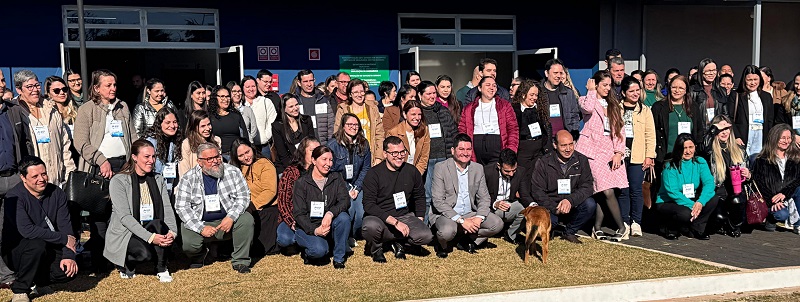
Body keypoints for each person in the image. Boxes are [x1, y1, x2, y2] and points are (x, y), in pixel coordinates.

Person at [73, 69, 137, 273]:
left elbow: (132, 135)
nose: (113, 88)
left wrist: (135, 158)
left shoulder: (123, 106)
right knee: (100, 216)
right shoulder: (86, 109)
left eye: (114, 85)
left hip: (124, 166)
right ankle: (101, 263)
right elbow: (80, 142)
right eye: (108, 85)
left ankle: (121, 260)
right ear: (96, 88)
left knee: (122, 214)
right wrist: (101, 160)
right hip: (99, 167)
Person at [4, 156, 77, 302]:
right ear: (23, 178)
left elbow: (65, 226)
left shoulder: (57, 193)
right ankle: (20, 290)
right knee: (37, 245)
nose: (41, 179)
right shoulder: (14, 196)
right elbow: (27, 230)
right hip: (18, 249)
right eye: (35, 176)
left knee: (66, 272)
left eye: (43, 174)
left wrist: (69, 255)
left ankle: (41, 281)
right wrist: (64, 239)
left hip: (49, 243)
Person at [175, 142, 254, 273]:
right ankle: (199, 256)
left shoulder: (233, 172)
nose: (215, 161)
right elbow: (182, 207)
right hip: (201, 222)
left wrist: (230, 217)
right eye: (209, 159)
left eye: (217, 157)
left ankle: (240, 261)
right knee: (188, 242)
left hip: (226, 220)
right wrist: (201, 228)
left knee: (246, 220)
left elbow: (243, 197)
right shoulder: (188, 178)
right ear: (200, 162)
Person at [105, 140, 177, 282]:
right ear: (134, 157)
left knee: (159, 225)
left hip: (151, 225)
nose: (151, 160)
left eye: (153, 156)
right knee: (145, 254)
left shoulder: (158, 179)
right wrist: (151, 238)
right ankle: (127, 264)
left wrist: (172, 232)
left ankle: (161, 267)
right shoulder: (119, 181)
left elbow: (167, 207)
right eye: (147, 157)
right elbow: (125, 217)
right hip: (127, 232)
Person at [429, 134, 503, 258]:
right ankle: (442, 244)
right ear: (453, 151)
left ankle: (465, 238)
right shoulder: (440, 168)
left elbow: (484, 197)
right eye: (461, 149)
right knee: (447, 232)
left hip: (470, 213)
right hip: (448, 214)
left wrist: (479, 218)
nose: (465, 153)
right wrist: (461, 221)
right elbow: (438, 201)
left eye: (468, 149)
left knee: (497, 224)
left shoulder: (478, 168)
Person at [576, 71, 629, 241]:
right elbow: (588, 109)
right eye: (604, 85)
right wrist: (591, 91)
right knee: (605, 190)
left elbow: (621, 130)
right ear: (596, 84)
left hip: (610, 151)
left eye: (609, 85)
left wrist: (619, 152)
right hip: (593, 152)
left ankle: (597, 227)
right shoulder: (585, 99)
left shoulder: (613, 104)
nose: (607, 88)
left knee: (603, 190)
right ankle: (621, 226)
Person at [361, 136, 432, 262]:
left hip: (404, 215)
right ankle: (377, 249)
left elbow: (420, 196)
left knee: (426, 236)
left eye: (402, 152)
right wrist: (395, 222)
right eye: (394, 153)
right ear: (385, 154)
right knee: (370, 227)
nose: (399, 156)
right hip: (380, 217)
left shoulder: (411, 171)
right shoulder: (374, 174)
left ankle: (398, 242)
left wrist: (419, 219)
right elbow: (369, 205)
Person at [530, 130, 597, 244]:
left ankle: (569, 232)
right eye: (563, 145)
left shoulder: (581, 160)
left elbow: (587, 186)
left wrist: (570, 200)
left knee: (590, 205)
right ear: (555, 145)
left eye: (571, 144)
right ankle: (551, 229)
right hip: (551, 206)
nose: (568, 149)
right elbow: (537, 190)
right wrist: (554, 208)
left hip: (572, 204)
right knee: (548, 221)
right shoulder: (543, 162)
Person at [292, 146, 351, 269]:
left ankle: (339, 258)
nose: (328, 164)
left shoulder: (336, 178)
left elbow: (345, 201)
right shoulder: (301, 183)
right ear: (314, 160)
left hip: (329, 224)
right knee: (319, 251)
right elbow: (299, 214)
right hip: (308, 227)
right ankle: (308, 252)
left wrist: (330, 213)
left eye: (330, 160)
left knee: (344, 217)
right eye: (324, 159)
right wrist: (315, 230)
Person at [12, 71, 76, 186]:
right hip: (31, 183)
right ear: (19, 89)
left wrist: (70, 174)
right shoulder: (13, 112)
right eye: (29, 86)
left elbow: (64, 145)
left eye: (37, 85)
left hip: (56, 179)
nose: (35, 90)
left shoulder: (51, 109)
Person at [656, 133, 718, 240]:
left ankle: (696, 228)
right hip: (669, 201)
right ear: (678, 149)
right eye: (684, 148)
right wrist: (694, 206)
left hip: (691, 198)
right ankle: (670, 227)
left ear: (695, 147)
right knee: (685, 213)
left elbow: (709, 183)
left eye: (691, 147)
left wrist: (700, 202)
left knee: (713, 198)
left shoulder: (700, 162)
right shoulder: (669, 166)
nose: (688, 151)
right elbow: (673, 192)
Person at [617, 76, 656, 237]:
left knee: (636, 190)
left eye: (637, 90)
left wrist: (649, 156)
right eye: (631, 91)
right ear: (624, 92)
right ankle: (624, 221)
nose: (635, 94)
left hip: (638, 155)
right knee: (623, 190)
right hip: (620, 154)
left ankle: (636, 222)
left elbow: (650, 134)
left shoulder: (645, 110)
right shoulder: (616, 108)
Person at [328, 113, 372, 246]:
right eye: (349, 124)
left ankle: (355, 234)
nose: (353, 127)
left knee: (360, 212)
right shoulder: (333, 145)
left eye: (356, 124)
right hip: (340, 185)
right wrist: (347, 189)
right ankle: (345, 236)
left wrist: (357, 188)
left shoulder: (363, 144)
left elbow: (366, 168)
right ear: (343, 126)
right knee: (350, 210)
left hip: (358, 184)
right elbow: (332, 170)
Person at [418, 80, 459, 223]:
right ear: (420, 95)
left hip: (444, 158)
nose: (432, 96)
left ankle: (444, 223)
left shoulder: (443, 110)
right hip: (427, 160)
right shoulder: (417, 112)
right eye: (428, 93)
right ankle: (424, 226)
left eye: (434, 93)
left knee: (445, 194)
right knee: (427, 194)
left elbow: (453, 133)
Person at [230, 138, 279, 257]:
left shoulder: (264, 164)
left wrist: (253, 206)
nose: (246, 157)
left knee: (257, 250)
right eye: (241, 155)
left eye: (247, 152)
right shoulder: (235, 169)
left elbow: (270, 191)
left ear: (252, 148)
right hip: (245, 208)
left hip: (265, 209)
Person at [703, 115, 750, 237]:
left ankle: (733, 226)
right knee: (719, 217)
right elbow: (703, 146)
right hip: (717, 192)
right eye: (720, 130)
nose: (724, 133)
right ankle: (724, 223)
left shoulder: (739, 149)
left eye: (727, 129)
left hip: (735, 192)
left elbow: (750, 172)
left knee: (737, 200)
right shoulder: (710, 150)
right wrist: (713, 129)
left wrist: (748, 175)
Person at [458, 76, 519, 165]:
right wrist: (464, 149)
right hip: (476, 149)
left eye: (494, 86)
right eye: (488, 85)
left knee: (494, 176)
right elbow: (462, 129)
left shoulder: (505, 106)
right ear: (479, 88)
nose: (492, 88)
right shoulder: (469, 108)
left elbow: (513, 129)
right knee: (478, 176)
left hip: (497, 147)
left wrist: (510, 150)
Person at [752, 124, 800, 233]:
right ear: (775, 138)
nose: (786, 141)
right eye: (783, 138)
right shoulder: (762, 160)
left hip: (788, 195)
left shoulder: (795, 157)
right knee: (781, 214)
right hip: (771, 198)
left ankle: (798, 223)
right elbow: (759, 184)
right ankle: (771, 217)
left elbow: (798, 179)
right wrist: (772, 201)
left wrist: (785, 193)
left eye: (788, 138)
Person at [276, 138, 320, 251]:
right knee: (284, 238)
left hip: (314, 216)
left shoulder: (322, 172)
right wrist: (292, 222)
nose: (316, 153)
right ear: (303, 151)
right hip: (293, 216)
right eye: (312, 150)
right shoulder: (291, 172)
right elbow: (283, 201)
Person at [0, 93, 25, 288]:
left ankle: (14, 269)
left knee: (13, 227)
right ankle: (4, 274)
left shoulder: (13, 110)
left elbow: (24, 142)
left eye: (1, 80)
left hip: (14, 176)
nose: (1, 84)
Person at [333, 78, 385, 165]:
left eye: (362, 91)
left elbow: (379, 134)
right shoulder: (343, 109)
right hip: (350, 155)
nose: (359, 95)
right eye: (356, 92)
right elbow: (337, 133)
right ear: (350, 94)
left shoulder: (372, 108)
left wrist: (379, 157)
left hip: (370, 155)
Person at [484, 148, 528, 243]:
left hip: (510, 203)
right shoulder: (487, 172)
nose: (511, 174)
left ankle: (511, 235)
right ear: (499, 166)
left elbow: (525, 195)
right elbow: (480, 196)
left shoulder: (521, 172)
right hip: (491, 207)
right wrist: (495, 204)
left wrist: (533, 205)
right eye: (507, 171)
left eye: (514, 170)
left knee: (526, 211)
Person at [731, 65, 775, 157]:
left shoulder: (766, 97)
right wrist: (736, 136)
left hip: (761, 135)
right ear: (744, 80)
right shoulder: (736, 95)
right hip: (743, 136)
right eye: (749, 80)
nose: (753, 83)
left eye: (755, 79)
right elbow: (730, 118)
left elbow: (770, 119)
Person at [512, 79, 551, 171]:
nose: (534, 98)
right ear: (523, 94)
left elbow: (547, 127)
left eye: (536, 95)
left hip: (538, 149)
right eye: (531, 95)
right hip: (523, 149)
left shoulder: (540, 109)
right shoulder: (515, 109)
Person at [272, 93, 315, 174]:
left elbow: (312, 144)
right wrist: (295, 171)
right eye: (291, 106)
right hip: (287, 166)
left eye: (296, 105)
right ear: (284, 109)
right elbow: (282, 154)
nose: (295, 108)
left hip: (307, 163)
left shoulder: (307, 120)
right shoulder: (277, 126)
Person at [143, 107, 182, 195]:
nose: (172, 126)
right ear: (160, 124)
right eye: (167, 122)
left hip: (168, 188)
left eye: (174, 122)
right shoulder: (150, 142)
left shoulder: (175, 141)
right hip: (151, 187)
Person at [386, 101, 430, 175]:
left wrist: (415, 176)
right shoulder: (393, 133)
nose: (417, 118)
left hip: (416, 174)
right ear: (405, 114)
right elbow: (391, 159)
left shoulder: (424, 131)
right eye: (413, 114)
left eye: (419, 114)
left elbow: (424, 158)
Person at [542, 59, 581, 140]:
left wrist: (573, 133)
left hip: (565, 139)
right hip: (545, 140)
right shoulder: (538, 92)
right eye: (555, 73)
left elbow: (575, 115)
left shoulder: (568, 93)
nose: (558, 76)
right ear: (546, 73)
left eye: (560, 73)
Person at [206, 85, 247, 161]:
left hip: (236, 155)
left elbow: (244, 136)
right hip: (218, 157)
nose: (225, 99)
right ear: (215, 98)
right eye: (222, 96)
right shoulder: (210, 117)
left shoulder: (236, 115)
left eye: (227, 96)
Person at [241, 75, 278, 156]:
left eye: (253, 86)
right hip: (245, 147)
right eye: (247, 87)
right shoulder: (240, 105)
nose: (251, 89)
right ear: (243, 88)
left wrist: (266, 136)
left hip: (264, 147)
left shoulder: (265, 101)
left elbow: (272, 120)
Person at [295, 70, 335, 145]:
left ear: (314, 80)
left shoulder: (323, 100)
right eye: (305, 81)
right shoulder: (295, 101)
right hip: (302, 145)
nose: (309, 84)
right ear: (299, 83)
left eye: (311, 80)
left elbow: (331, 124)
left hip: (322, 144)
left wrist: (329, 144)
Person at [690, 58, 728, 123]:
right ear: (701, 72)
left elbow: (725, 114)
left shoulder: (722, 91)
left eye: (714, 70)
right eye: (708, 71)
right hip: (700, 128)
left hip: (716, 128)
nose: (711, 73)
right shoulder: (693, 90)